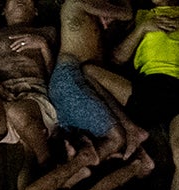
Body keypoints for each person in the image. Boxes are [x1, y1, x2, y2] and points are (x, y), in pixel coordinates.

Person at [111, 0, 179, 190]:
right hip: (150, 85)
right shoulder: (141, 15)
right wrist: (143, 29)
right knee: (89, 72)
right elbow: (117, 58)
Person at [0, 0, 57, 189]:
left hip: (35, 96)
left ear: (36, 11)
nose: (21, 1)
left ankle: (46, 161)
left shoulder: (47, 32)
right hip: (3, 95)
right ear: (3, 11)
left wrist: (42, 46)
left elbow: (55, 75)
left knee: (17, 112)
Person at [51, 0, 142, 160]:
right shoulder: (76, 2)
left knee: (90, 142)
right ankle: (75, 173)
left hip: (84, 78)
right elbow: (127, 13)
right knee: (116, 138)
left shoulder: (98, 16)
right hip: (69, 77)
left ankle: (79, 165)